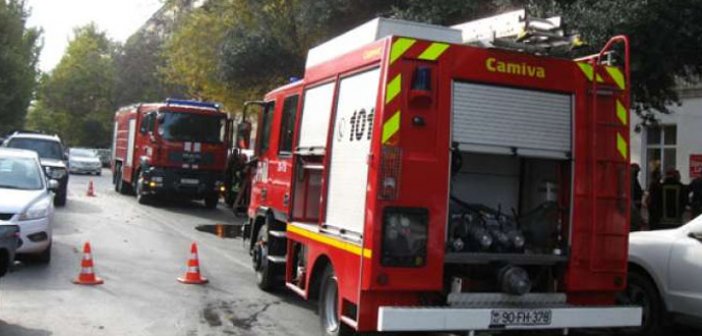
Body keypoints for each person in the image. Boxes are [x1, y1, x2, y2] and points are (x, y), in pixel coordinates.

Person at [630, 164, 644, 231]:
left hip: (635, 206)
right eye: (636, 171)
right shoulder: (631, 180)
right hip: (633, 206)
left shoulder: (634, 180)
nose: (637, 174)